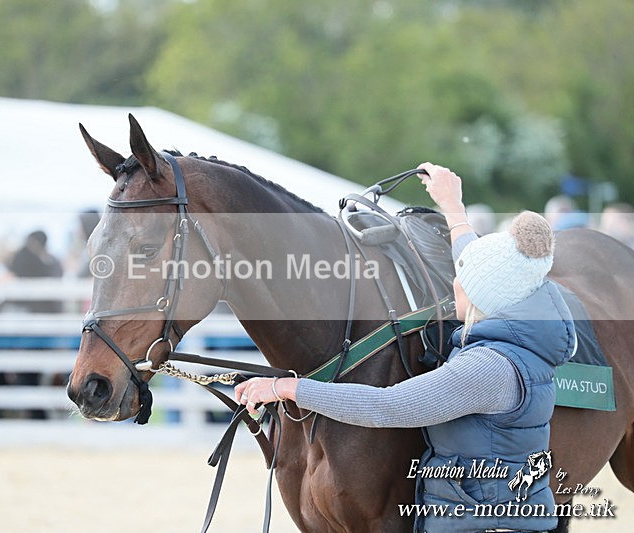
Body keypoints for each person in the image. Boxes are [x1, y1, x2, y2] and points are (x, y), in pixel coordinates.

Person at [235, 163, 576, 533]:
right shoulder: (515, 327)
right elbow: (478, 264)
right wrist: (452, 205)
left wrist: (287, 388)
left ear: (480, 296)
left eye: (460, 279)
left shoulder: (488, 368)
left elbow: (388, 406)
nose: (454, 284)